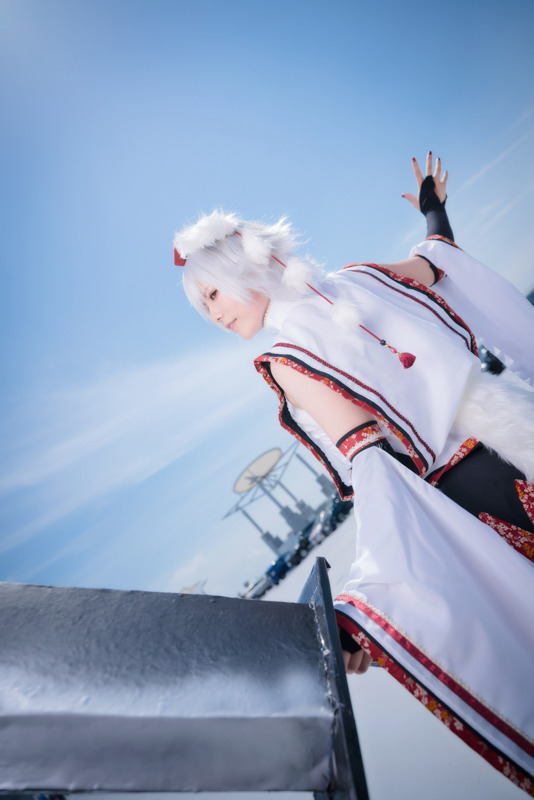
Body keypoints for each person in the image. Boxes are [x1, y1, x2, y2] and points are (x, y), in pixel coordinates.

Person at [173, 154, 534, 794]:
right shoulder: (359, 278)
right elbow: (438, 263)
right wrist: (433, 208)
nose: (212, 313)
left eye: (212, 293)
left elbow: (373, 466)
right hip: (518, 437)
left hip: (473, 499)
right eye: (203, 305)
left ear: (241, 267)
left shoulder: (288, 358)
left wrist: (361, 608)